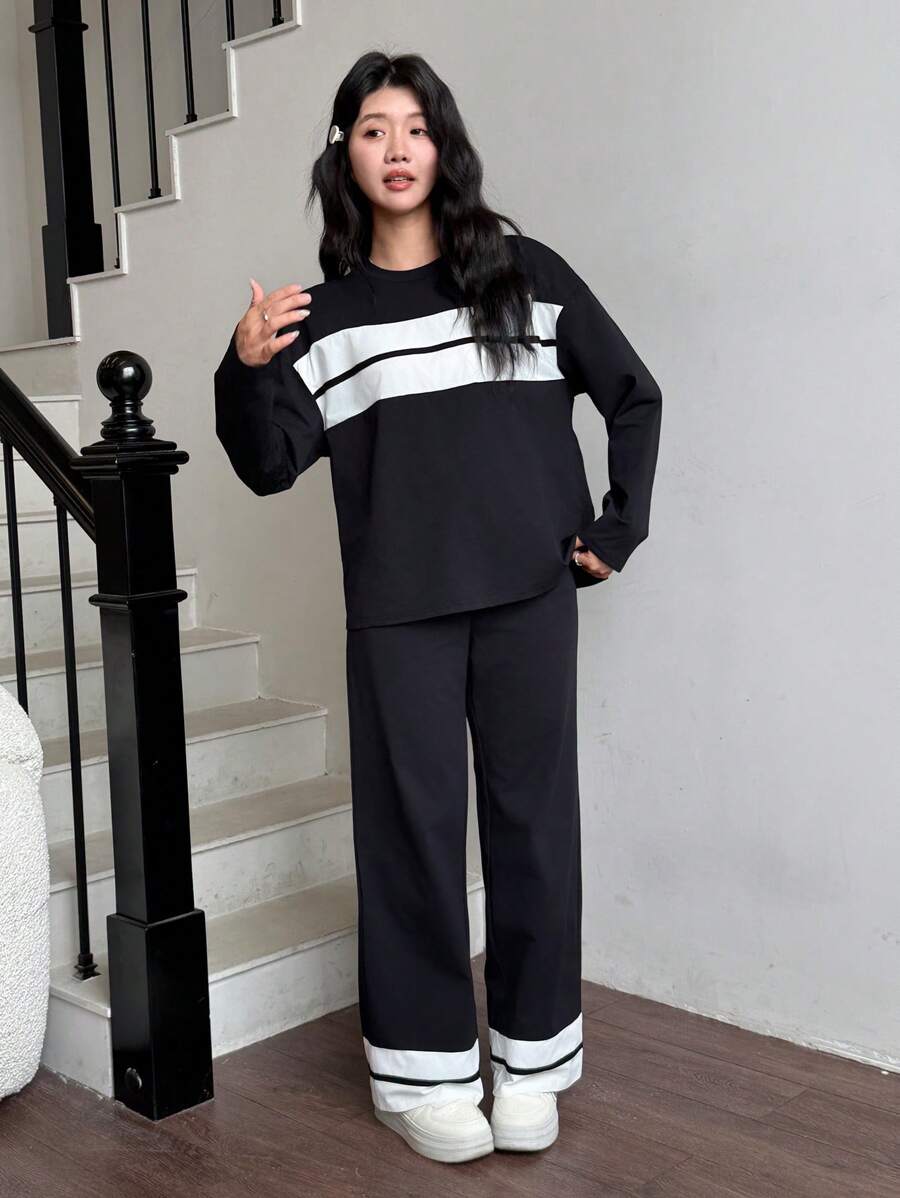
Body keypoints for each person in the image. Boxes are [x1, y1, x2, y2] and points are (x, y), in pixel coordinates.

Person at [213, 50, 662, 1165]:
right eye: (374, 129)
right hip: (398, 612)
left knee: (533, 828)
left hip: (527, 598)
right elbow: (267, 465)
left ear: (444, 145)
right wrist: (244, 367)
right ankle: (421, 1075)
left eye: (416, 127)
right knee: (411, 836)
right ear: (346, 155)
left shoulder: (525, 274)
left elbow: (632, 392)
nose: (398, 148)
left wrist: (617, 527)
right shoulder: (321, 319)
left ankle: (532, 1062)